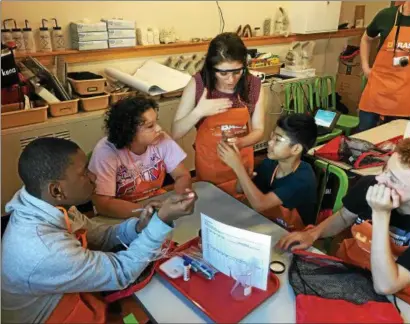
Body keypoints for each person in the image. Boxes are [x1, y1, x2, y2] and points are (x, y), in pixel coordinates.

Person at [1, 137, 197, 323]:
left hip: (74, 296)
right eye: (84, 172)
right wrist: (161, 221)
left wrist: (140, 226)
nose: (93, 177)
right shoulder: (43, 248)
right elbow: (120, 273)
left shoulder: (48, 205)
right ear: (56, 190)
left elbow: (102, 236)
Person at [278, 137, 410, 322]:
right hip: (350, 272)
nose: (379, 178)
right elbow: (344, 217)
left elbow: (385, 286)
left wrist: (381, 215)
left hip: (400, 296)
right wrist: (313, 233)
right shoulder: (369, 184)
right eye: (385, 169)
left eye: (393, 179)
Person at [172, 32, 264, 196]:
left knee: (242, 206)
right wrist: (199, 112)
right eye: (223, 73)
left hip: (241, 166)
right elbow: (176, 132)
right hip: (209, 168)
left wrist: (241, 142)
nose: (231, 80)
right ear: (211, 68)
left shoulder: (253, 86)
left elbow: (259, 130)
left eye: (237, 72)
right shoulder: (198, 84)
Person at [89, 96, 192, 218]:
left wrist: (182, 198)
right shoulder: (106, 152)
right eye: (150, 126)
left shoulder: (161, 139)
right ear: (128, 132)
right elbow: (103, 204)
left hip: (154, 203)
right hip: (119, 215)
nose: (159, 128)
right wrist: (149, 211)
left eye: (156, 122)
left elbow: (182, 175)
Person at [218, 114, 318, 231]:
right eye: (272, 137)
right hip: (269, 222)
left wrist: (237, 167)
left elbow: (260, 204)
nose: (270, 143)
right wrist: (244, 173)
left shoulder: (303, 178)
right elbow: (240, 189)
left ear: (295, 149)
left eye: (278, 140)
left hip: (292, 233)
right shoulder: (270, 164)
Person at [358, 1, 410, 131]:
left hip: (405, 93)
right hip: (378, 88)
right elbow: (366, 39)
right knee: (364, 133)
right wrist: (365, 66)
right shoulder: (386, 15)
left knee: (395, 138)